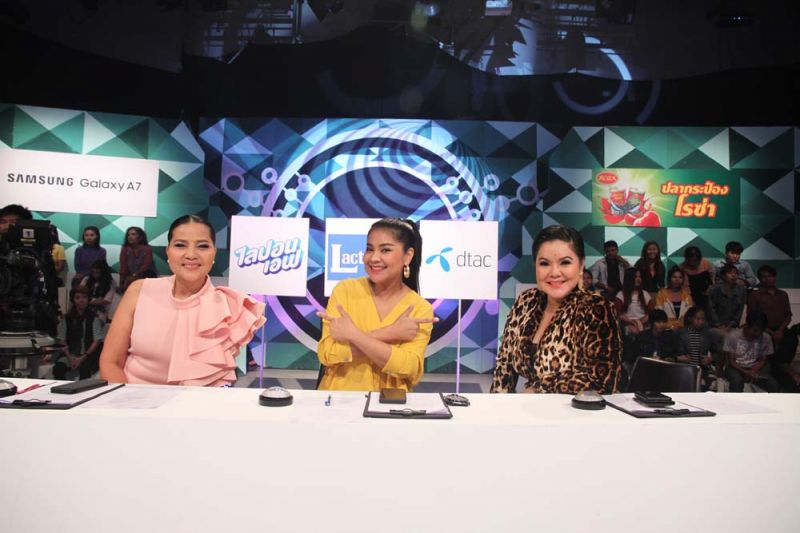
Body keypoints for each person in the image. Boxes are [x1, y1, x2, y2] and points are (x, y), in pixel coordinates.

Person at [99, 215, 265, 386]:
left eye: (202, 246)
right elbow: (111, 362)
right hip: (130, 398)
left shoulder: (229, 308)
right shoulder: (139, 290)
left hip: (197, 402)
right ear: (168, 251)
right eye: (180, 245)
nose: (191, 255)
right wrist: (129, 401)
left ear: (214, 253)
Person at [491, 225, 621, 393]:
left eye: (565, 262)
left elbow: (602, 381)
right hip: (527, 408)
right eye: (544, 263)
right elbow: (504, 366)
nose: (554, 272)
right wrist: (496, 406)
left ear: (581, 265)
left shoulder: (596, 308)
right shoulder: (526, 301)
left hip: (575, 409)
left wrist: (537, 390)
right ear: (535, 266)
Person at [316, 218, 436, 391]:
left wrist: (352, 335)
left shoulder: (419, 308)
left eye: (385, 250)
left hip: (390, 402)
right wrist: (390, 333)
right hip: (338, 398)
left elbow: (409, 367)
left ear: (408, 256)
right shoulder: (346, 290)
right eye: (369, 249)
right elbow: (327, 353)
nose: (373, 258)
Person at [50, 286, 105, 380]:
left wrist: (83, 357)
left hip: (88, 355)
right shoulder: (67, 318)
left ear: (88, 299)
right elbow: (62, 339)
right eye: (77, 297)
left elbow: (97, 340)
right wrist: (70, 357)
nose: (81, 300)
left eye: (84, 297)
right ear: (73, 300)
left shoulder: (94, 318)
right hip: (69, 354)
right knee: (58, 369)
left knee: (85, 371)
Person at [722, 312, 780, 392]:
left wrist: (753, 371)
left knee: (773, 384)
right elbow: (731, 361)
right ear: (747, 326)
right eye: (755, 330)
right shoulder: (733, 336)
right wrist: (745, 372)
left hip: (755, 368)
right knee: (737, 381)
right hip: (736, 368)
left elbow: (763, 359)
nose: (758, 334)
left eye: (761, 331)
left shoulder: (766, 338)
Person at [676, 306, 718, 390]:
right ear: (690, 319)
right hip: (684, 368)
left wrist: (710, 359)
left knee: (710, 384)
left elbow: (717, 353)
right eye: (698, 319)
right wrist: (679, 358)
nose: (701, 322)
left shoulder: (707, 334)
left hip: (702, 369)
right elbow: (671, 353)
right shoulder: (680, 334)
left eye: (703, 319)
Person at [653, 266, 694, 330]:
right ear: (669, 278)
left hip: (684, 329)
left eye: (680, 277)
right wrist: (671, 327)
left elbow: (691, 315)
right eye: (674, 277)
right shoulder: (661, 294)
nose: (677, 280)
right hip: (666, 329)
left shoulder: (687, 296)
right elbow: (659, 315)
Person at [118, 226, 156, 294]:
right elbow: (123, 267)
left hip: (146, 275)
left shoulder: (147, 249)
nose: (129, 237)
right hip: (131, 276)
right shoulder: (125, 249)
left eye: (133, 234)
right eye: (128, 235)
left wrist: (134, 276)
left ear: (140, 237)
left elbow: (145, 266)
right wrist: (121, 284)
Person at [616, 267, 652, 336]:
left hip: (643, 322)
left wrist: (640, 322)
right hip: (627, 323)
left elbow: (651, 313)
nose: (638, 279)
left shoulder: (645, 294)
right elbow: (618, 314)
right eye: (635, 277)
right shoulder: (621, 294)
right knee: (633, 330)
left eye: (639, 277)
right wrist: (631, 321)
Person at [679, 246, 715, 313]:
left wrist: (710, 288)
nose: (693, 264)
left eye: (695, 261)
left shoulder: (706, 263)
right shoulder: (682, 268)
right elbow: (685, 287)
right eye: (691, 261)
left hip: (708, 292)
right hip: (692, 295)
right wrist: (691, 301)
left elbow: (712, 277)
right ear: (686, 259)